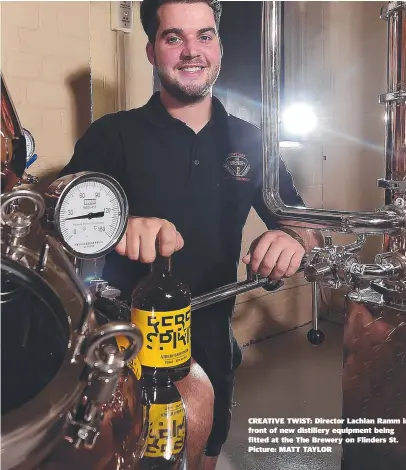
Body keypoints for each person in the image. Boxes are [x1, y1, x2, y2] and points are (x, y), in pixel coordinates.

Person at [59, 1, 322, 468]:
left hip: (212, 340)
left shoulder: (251, 142)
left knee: (202, 457)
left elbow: (305, 224)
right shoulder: (111, 136)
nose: (191, 51)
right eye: (173, 37)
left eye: (204, 36)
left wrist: (295, 240)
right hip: (124, 343)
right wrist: (116, 224)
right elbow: (60, 217)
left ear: (219, 47)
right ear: (150, 50)